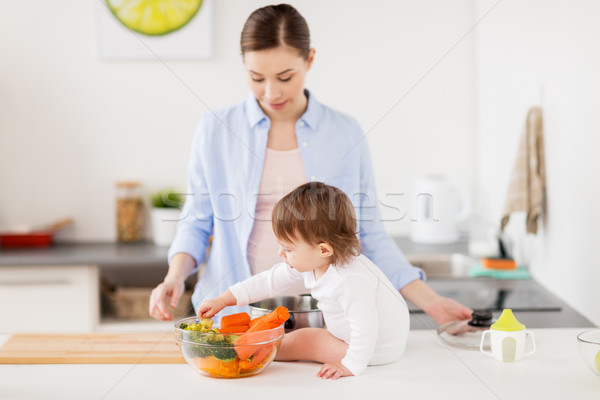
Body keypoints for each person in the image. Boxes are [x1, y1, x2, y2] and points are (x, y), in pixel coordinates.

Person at [149, 4, 472, 326]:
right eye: (256, 77)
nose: (270, 92)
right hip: (232, 313)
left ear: (310, 60)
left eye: (285, 77)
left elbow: (368, 234)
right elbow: (196, 221)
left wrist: (431, 303)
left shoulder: (345, 133)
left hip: (325, 315)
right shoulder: (215, 128)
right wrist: (174, 277)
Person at [198, 182, 409, 379]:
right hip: (362, 340)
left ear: (324, 249)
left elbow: (366, 329)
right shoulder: (316, 261)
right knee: (302, 338)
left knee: (306, 340)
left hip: (378, 348)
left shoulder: (351, 279)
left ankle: (249, 353)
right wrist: (223, 300)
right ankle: (252, 349)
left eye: (288, 248)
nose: (281, 253)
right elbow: (268, 281)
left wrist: (350, 365)